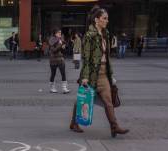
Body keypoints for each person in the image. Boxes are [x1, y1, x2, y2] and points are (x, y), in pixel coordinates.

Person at [72, 6, 129, 137]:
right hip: (91, 74)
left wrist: (111, 74)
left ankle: (114, 127)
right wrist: (85, 76)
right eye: (104, 18)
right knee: (83, 100)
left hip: (104, 73)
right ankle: (74, 123)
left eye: (107, 18)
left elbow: (107, 57)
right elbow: (86, 58)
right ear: (97, 20)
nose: (107, 21)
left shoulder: (106, 34)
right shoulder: (89, 36)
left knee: (109, 102)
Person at [48, 28, 69, 94]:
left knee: (63, 73)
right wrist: (60, 45)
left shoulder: (61, 40)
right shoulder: (51, 40)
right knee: (53, 74)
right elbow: (54, 50)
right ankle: (52, 88)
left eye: (60, 32)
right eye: (58, 32)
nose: (60, 33)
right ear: (55, 33)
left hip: (60, 59)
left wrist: (63, 47)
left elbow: (62, 51)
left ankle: (64, 88)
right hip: (53, 60)